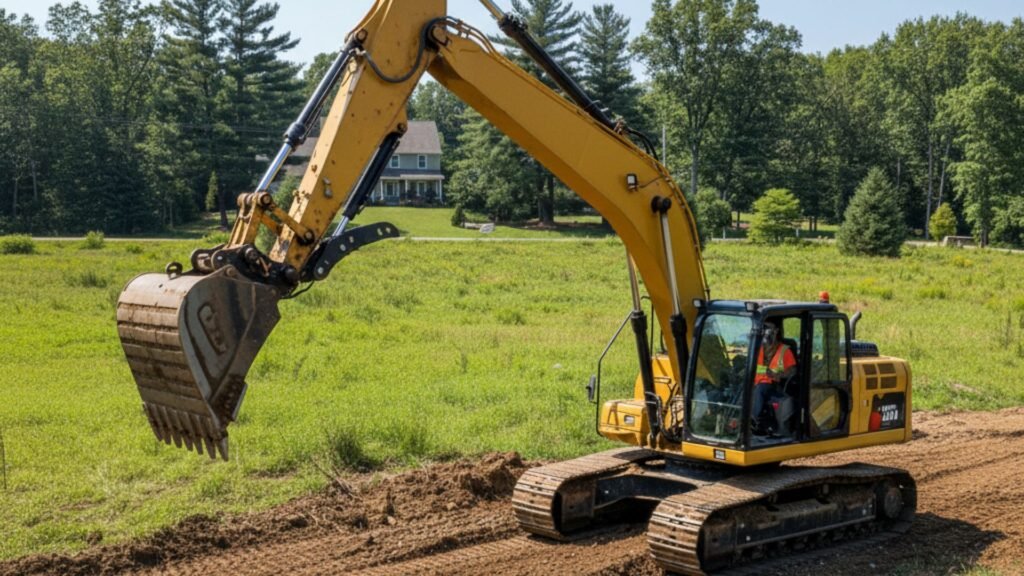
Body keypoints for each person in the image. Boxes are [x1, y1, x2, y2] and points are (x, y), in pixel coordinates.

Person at [752, 321, 797, 434]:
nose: (766, 332)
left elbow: (792, 371)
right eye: (764, 329)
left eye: (768, 329)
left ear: (776, 331)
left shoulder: (785, 351)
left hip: (773, 385)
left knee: (761, 389)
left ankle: (754, 420)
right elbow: (755, 367)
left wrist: (776, 374)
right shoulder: (758, 348)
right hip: (754, 382)